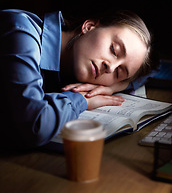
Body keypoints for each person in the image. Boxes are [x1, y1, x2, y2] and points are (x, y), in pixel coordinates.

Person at [0, 9, 152, 149]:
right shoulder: (20, 32)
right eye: (114, 49)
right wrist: (82, 99)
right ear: (89, 26)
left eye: (118, 73)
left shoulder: (72, 68)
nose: (110, 68)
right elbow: (35, 126)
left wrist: (113, 87)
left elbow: (152, 71)